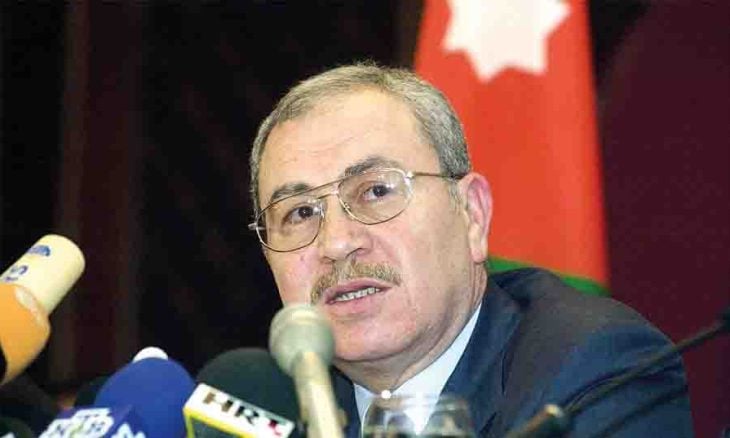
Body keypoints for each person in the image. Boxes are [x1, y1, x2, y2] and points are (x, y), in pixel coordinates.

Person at [247, 62, 693, 437]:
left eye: (376, 191)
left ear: (472, 214)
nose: (337, 242)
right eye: (299, 214)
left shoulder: (593, 370)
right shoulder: (268, 407)